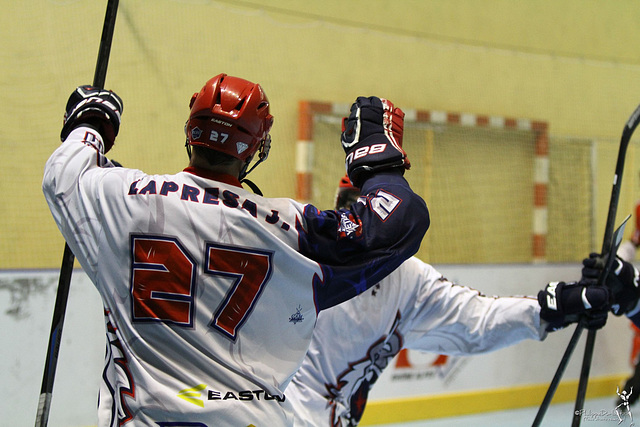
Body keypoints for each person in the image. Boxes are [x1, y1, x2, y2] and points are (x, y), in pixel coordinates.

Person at [42, 76, 430, 426]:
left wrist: (92, 123)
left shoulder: (118, 198)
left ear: (191, 132)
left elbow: (64, 173)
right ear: (254, 147)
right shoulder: (285, 227)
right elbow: (397, 224)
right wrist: (376, 158)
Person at [285, 176, 615, 427]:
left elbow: (476, 321)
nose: (364, 222)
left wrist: (550, 307)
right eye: (353, 206)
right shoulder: (300, 256)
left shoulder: (408, 279)